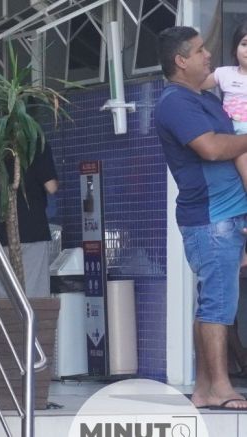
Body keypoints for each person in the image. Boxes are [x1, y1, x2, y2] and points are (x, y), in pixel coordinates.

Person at [156, 26, 247, 410]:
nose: (208, 55)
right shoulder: (175, 102)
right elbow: (210, 148)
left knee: (214, 300)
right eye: (199, 50)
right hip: (212, 219)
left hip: (226, 217)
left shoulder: (204, 98)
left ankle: (205, 388)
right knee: (218, 304)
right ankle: (221, 388)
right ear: (181, 61)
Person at [0, 147, 59, 299]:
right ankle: (31, 316)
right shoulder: (35, 142)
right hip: (32, 229)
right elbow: (51, 186)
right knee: (34, 293)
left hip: (1, 231)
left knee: (8, 294)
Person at [200, 22, 247, 189]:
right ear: (235, 49)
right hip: (234, 137)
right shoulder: (224, 73)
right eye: (244, 44)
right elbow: (195, 85)